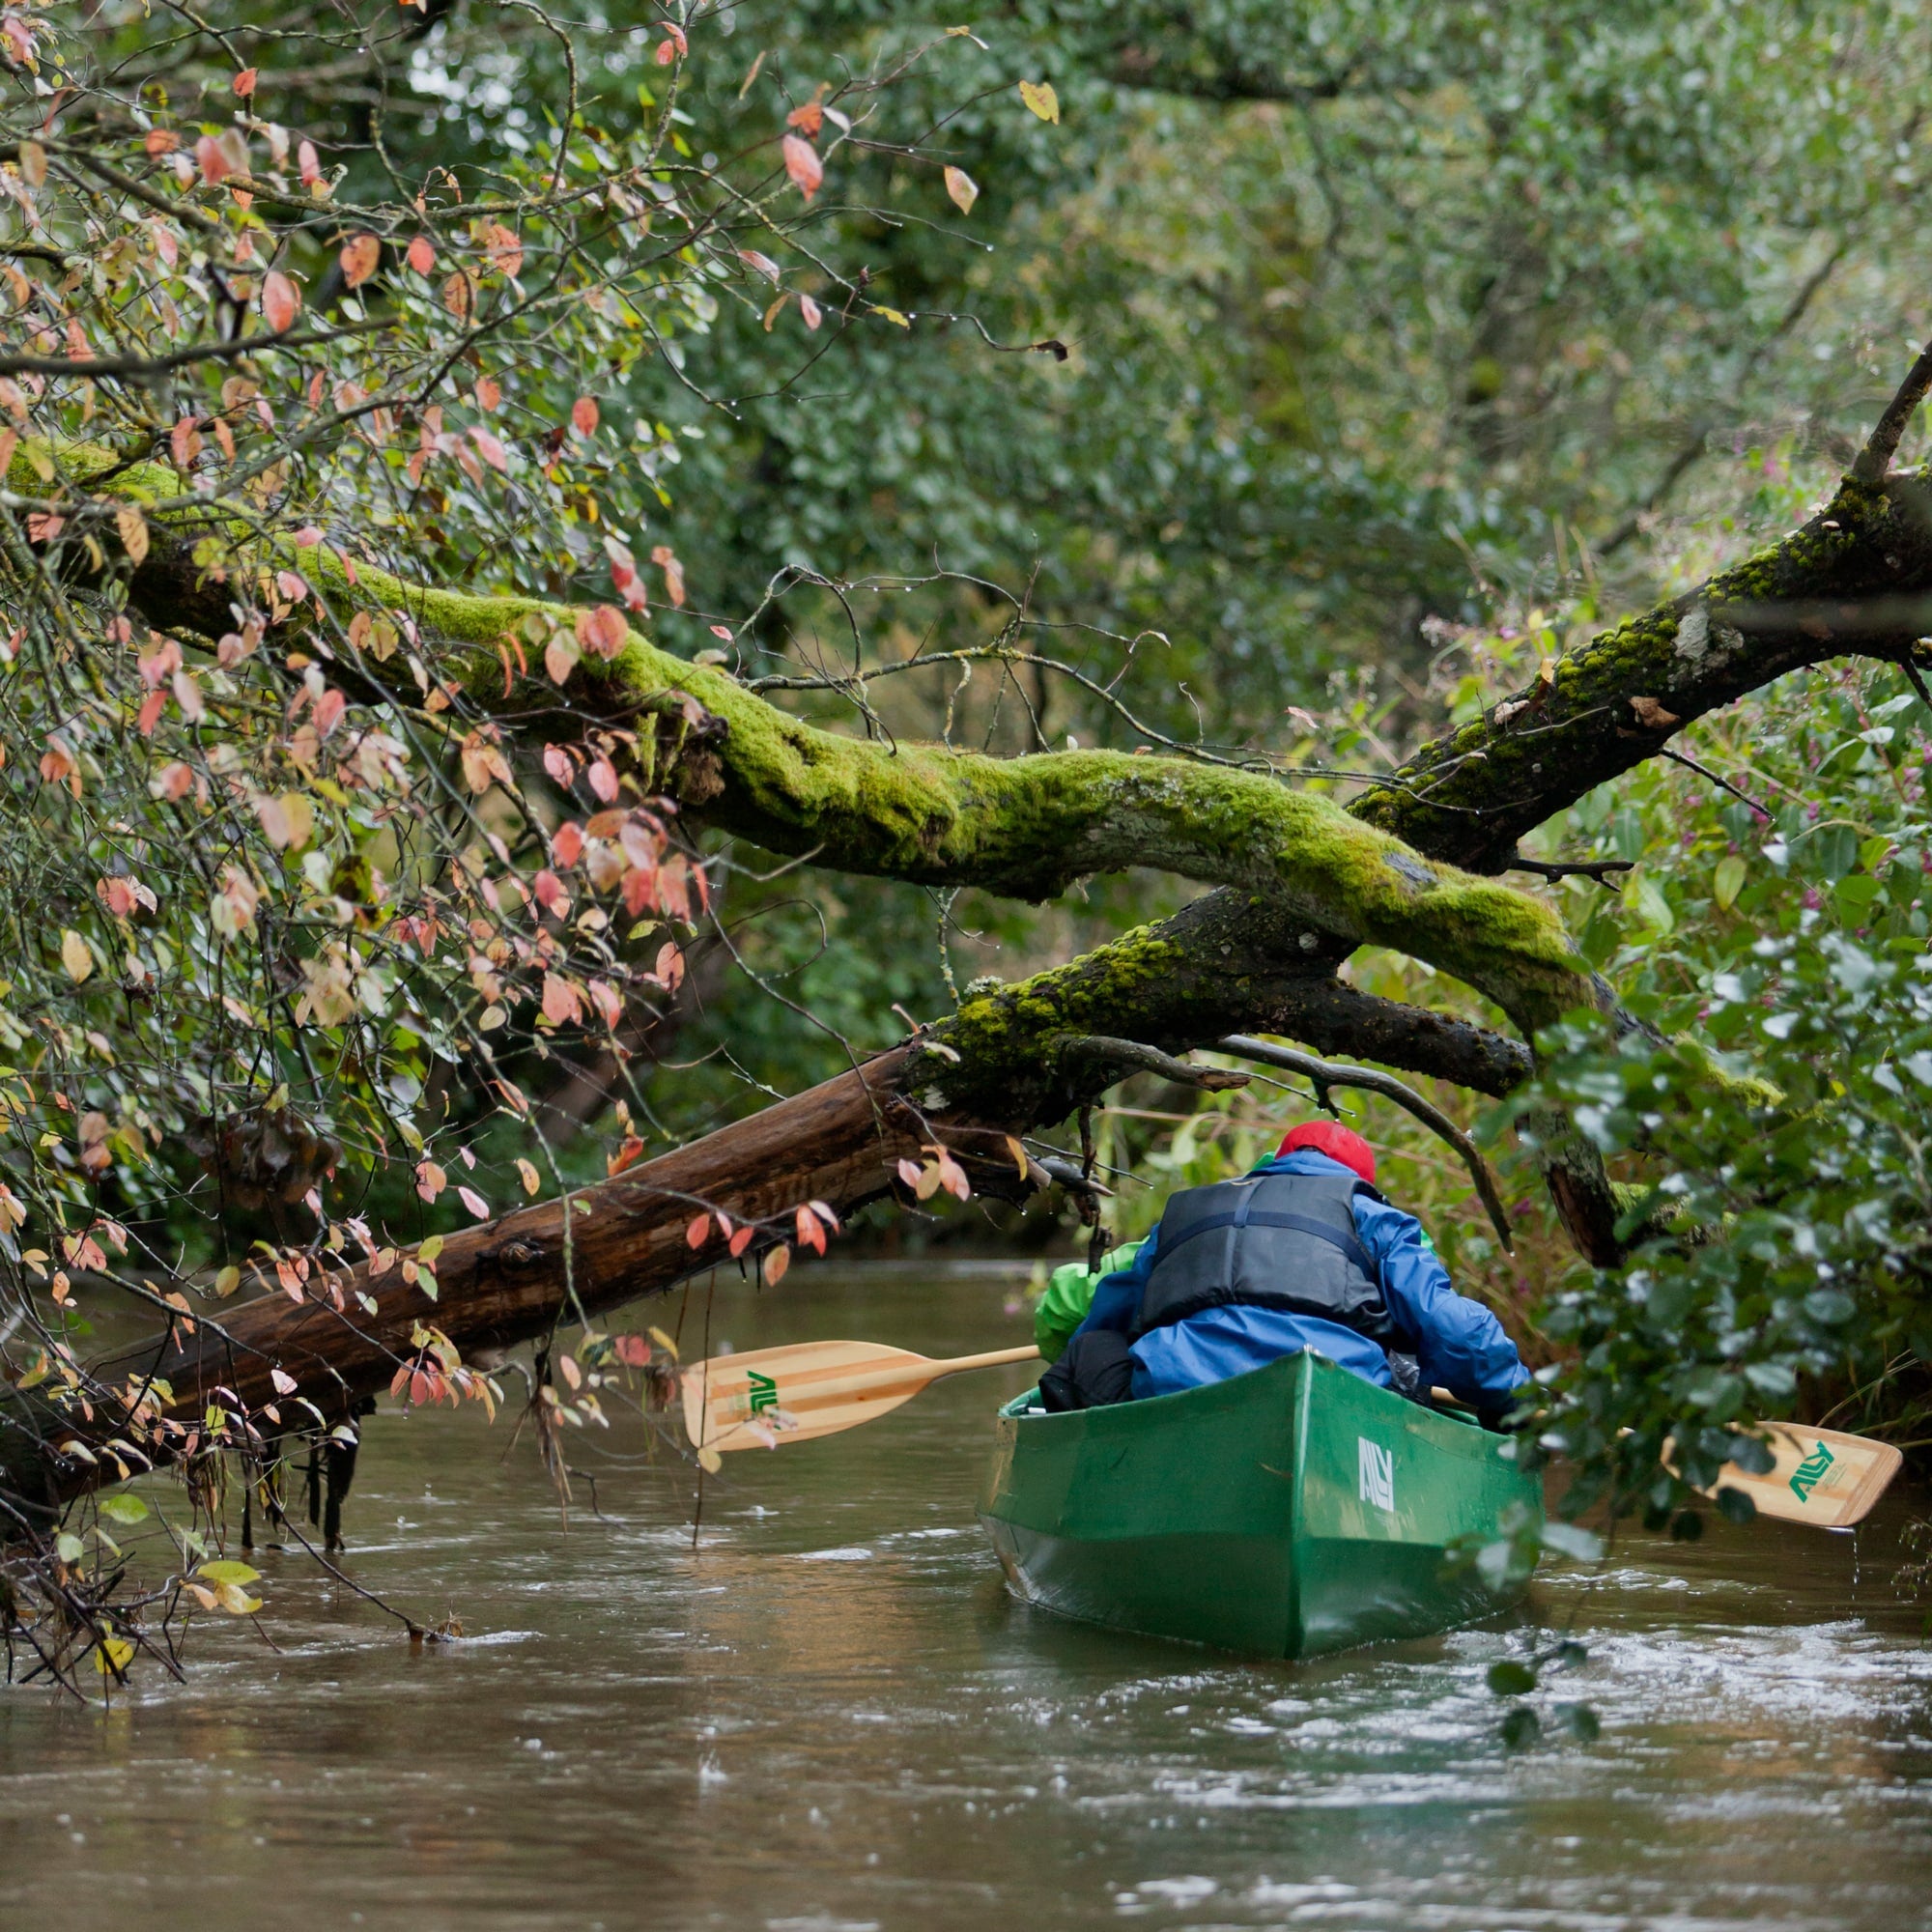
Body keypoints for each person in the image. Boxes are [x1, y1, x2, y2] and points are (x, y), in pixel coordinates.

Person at [1037, 1120, 1529, 1427]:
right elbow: (1457, 1331)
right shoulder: (1370, 1213)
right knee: (1413, 1366)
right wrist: (1514, 1402)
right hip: (1336, 1403)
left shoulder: (1185, 1211)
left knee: (1089, 1350)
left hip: (1175, 1394)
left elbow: (1109, 1317)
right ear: (1359, 1180)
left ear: (1278, 1162)